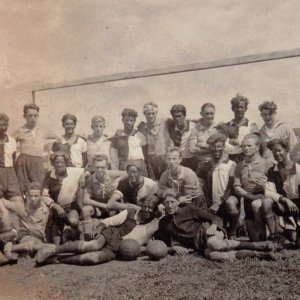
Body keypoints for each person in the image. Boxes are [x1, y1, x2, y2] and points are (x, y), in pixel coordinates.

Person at [35, 194, 162, 266]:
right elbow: (110, 221)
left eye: (151, 208)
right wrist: (100, 228)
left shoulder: (155, 224)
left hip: (120, 247)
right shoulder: (131, 212)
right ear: (141, 205)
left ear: (155, 210)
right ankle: (52, 249)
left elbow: (146, 240)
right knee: (93, 245)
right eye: (145, 206)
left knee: (94, 258)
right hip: (111, 233)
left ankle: (57, 259)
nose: (146, 210)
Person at [155, 189, 280, 261]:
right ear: (163, 205)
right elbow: (163, 245)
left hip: (210, 233)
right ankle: (260, 255)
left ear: (178, 201)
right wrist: (174, 248)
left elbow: (215, 217)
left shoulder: (189, 209)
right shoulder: (164, 222)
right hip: (200, 247)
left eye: (172, 202)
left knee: (214, 244)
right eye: (167, 203)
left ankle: (260, 245)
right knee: (215, 255)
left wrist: (213, 226)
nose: (170, 206)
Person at [197, 133, 239, 239]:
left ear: (224, 147)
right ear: (209, 148)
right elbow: (200, 184)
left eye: (219, 146)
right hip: (212, 205)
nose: (216, 149)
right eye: (213, 146)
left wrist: (219, 202)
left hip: (225, 202)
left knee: (231, 202)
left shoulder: (231, 164)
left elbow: (231, 188)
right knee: (210, 232)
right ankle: (224, 227)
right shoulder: (205, 166)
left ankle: (233, 232)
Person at [2, 182, 62, 255]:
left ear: (41, 196)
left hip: (40, 237)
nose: (33, 199)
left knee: (40, 245)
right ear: (27, 195)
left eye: (36, 196)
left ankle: (16, 248)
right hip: (25, 235)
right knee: (39, 245)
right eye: (31, 196)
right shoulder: (21, 207)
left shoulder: (46, 209)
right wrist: (5, 214)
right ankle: (14, 249)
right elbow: (2, 202)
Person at [12, 103, 60, 195]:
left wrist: (54, 147)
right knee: (23, 187)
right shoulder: (19, 130)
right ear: (24, 116)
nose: (33, 118)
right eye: (30, 116)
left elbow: (57, 139)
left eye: (35, 116)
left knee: (37, 186)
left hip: (38, 161)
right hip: (23, 161)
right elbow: (9, 143)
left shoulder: (44, 131)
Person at [233, 134, 273, 241]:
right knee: (254, 239)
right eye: (244, 146)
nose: (246, 148)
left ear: (257, 147)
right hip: (248, 199)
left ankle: (273, 233)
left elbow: (274, 187)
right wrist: (250, 196)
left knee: (262, 237)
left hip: (263, 199)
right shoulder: (239, 166)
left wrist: (263, 198)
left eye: (249, 146)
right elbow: (237, 187)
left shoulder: (267, 164)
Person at [262, 139, 300, 245]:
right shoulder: (272, 171)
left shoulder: (298, 170)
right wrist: (285, 200)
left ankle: (294, 231)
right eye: (274, 151)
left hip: (298, 206)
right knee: (266, 202)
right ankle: (276, 236)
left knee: (298, 245)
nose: (277, 154)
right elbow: (268, 192)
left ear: (287, 150)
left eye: (279, 150)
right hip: (283, 204)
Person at [81, 154, 125, 241]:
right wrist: (104, 206)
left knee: (112, 212)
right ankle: (88, 237)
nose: (100, 170)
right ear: (93, 167)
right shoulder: (90, 179)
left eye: (102, 167)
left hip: (112, 205)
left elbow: (127, 173)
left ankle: (113, 238)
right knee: (85, 210)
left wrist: (117, 180)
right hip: (99, 206)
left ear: (107, 166)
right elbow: (86, 200)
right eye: (97, 167)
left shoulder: (112, 174)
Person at [43, 152, 84, 245]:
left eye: (62, 162)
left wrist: (83, 176)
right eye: (57, 162)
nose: (59, 164)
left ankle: (73, 232)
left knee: (73, 222)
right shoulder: (49, 175)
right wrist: (55, 206)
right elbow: (43, 195)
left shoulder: (73, 171)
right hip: (55, 210)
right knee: (55, 244)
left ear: (66, 163)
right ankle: (63, 234)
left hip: (70, 208)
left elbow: (91, 169)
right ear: (53, 163)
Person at [218, 94, 259, 163]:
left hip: (248, 160)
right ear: (232, 108)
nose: (239, 110)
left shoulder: (252, 125)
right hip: (230, 160)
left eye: (241, 107)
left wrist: (238, 142)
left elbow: (256, 143)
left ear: (246, 109)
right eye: (237, 107)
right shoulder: (226, 126)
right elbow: (224, 146)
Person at [137, 103, 171, 181]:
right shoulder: (142, 127)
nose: (151, 116)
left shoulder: (165, 122)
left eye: (153, 113)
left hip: (164, 157)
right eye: (148, 113)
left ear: (156, 113)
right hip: (150, 160)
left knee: (165, 181)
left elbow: (180, 120)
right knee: (152, 182)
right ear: (144, 114)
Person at [110, 108, 148, 176]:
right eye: (126, 120)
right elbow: (113, 157)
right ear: (122, 120)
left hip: (139, 165)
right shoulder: (117, 137)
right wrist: (116, 172)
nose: (129, 123)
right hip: (124, 166)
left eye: (131, 120)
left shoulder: (140, 135)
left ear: (134, 121)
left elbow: (145, 153)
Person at [0, 114, 24, 207]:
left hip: (10, 174)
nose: (3, 127)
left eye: (5, 125)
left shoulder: (12, 141)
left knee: (19, 204)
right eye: (0, 125)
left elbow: (14, 161)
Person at [189, 103, 218, 169]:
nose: (209, 116)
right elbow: (192, 150)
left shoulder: (218, 128)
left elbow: (223, 148)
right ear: (201, 114)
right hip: (201, 164)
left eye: (211, 113)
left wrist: (203, 146)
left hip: (216, 164)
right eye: (207, 113)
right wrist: (212, 149)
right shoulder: (195, 129)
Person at [167, 105, 196, 170]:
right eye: (175, 116)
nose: (177, 118)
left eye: (179, 116)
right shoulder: (170, 126)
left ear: (184, 116)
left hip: (192, 159)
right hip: (178, 160)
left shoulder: (194, 126)